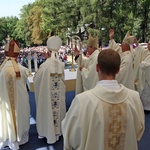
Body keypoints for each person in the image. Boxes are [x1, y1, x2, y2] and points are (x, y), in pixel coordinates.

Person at [62, 49, 145, 150]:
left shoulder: (82, 101)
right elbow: (138, 131)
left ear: (97, 68)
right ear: (118, 69)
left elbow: (70, 136)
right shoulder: (134, 98)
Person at [34, 35, 66, 144]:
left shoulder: (44, 66)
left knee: (48, 108)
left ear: (48, 51)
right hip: (58, 98)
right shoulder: (61, 65)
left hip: (47, 97)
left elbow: (36, 80)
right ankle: (58, 132)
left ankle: (48, 132)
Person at [0, 39, 30, 150]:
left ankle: (7, 137)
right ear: (17, 55)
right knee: (21, 110)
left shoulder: (2, 69)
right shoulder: (21, 70)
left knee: (4, 113)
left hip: (4, 102)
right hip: (18, 103)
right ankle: (17, 137)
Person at [136, 41, 150, 111]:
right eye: (148, 44)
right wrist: (136, 42)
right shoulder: (146, 52)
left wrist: (142, 63)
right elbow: (140, 49)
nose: (148, 45)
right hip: (144, 80)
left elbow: (147, 66)